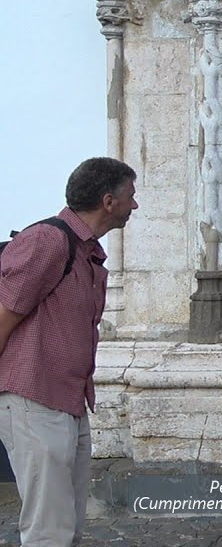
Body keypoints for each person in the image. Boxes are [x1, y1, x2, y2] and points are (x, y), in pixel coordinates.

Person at [0, 157, 137, 547]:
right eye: (131, 195)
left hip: (68, 401)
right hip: (33, 398)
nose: (135, 205)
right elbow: (4, 315)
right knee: (49, 531)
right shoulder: (48, 240)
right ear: (108, 201)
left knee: (67, 527)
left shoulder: (84, 250)